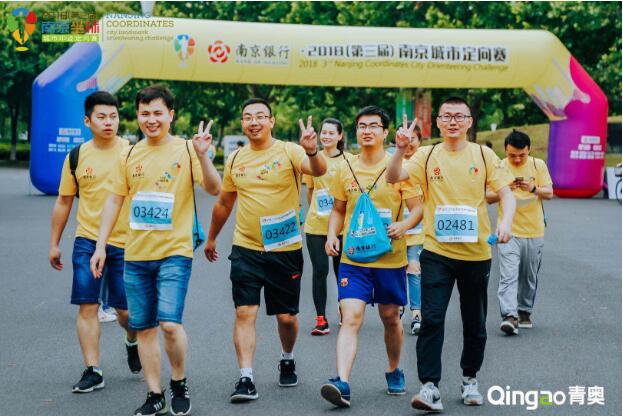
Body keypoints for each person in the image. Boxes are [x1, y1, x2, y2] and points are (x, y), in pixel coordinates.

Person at [90, 85, 221, 416]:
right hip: (135, 255)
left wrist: (203, 155)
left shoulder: (187, 149)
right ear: (137, 116)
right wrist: (101, 245)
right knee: (145, 327)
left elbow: (214, 187)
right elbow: (114, 200)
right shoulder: (129, 154)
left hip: (175, 252)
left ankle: (178, 381)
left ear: (171, 115)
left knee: (170, 325)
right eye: (144, 113)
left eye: (158, 113)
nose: (151, 120)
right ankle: (154, 393)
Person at [386, 97, 516, 412]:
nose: (453, 121)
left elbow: (506, 194)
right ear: (438, 122)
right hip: (436, 253)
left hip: (476, 255)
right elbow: (392, 176)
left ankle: (470, 378)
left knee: (475, 322)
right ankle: (429, 387)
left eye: (459, 116)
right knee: (431, 319)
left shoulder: (483, 155)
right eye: (446, 116)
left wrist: (506, 223)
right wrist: (400, 150)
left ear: (469, 121)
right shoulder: (427, 155)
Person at [204, 98, 327, 403]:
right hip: (246, 247)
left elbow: (318, 170)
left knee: (286, 317)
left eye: (260, 116)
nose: (254, 122)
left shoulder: (289, 151)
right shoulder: (235, 158)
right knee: (245, 312)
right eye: (248, 117)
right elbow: (224, 203)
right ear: (242, 123)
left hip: (284, 249)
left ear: (271, 121)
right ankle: (246, 377)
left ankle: (287, 357)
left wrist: (312, 151)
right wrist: (211, 238)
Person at [320, 106, 423, 408]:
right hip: (354, 259)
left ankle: (394, 369)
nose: (367, 131)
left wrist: (404, 225)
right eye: (362, 126)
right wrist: (331, 235)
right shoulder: (345, 167)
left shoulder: (399, 167)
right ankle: (342, 382)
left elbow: (417, 208)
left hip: (390, 259)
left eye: (374, 126)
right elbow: (338, 209)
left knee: (390, 318)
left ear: (385, 132)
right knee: (350, 318)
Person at [49, 91, 141, 393]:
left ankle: (132, 339)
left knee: (125, 312)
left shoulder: (133, 153)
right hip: (87, 240)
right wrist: (54, 243)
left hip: (127, 242)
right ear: (87, 121)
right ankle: (93, 370)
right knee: (87, 306)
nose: (109, 122)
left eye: (113, 116)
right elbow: (64, 201)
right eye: (101, 117)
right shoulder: (76, 156)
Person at [485, 130, 553, 335]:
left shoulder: (538, 165)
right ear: (505, 151)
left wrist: (532, 188)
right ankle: (509, 316)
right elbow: (487, 196)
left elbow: (549, 192)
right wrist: (505, 189)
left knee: (528, 275)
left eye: (521, 155)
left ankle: (524, 310)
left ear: (528, 150)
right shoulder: (499, 166)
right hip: (508, 231)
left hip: (534, 230)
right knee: (508, 275)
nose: (516, 159)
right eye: (512, 155)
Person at [303, 117, 353, 335]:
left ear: (340, 136)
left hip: (343, 227)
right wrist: (318, 212)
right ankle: (321, 318)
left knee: (342, 271)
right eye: (323, 132)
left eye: (331, 133)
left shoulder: (350, 160)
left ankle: (344, 309)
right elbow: (310, 191)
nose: (326, 136)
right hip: (316, 227)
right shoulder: (312, 159)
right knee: (320, 271)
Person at [402, 123, 424, 335]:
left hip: (418, 230)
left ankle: (416, 313)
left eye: (413, 140)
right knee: (395, 271)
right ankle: (398, 303)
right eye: (405, 140)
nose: (409, 144)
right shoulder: (391, 162)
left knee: (414, 268)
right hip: (394, 230)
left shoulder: (425, 163)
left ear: (419, 141)